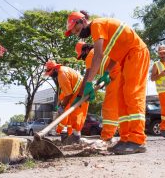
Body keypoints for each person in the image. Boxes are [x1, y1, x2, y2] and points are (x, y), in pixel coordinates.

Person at [65, 11, 150, 155]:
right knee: (122, 99)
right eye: (75, 33)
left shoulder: (97, 25)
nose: (78, 34)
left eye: (77, 30)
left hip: (136, 53)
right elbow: (115, 55)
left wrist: (89, 83)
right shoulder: (102, 33)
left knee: (132, 95)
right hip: (125, 58)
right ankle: (125, 138)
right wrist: (106, 72)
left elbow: (97, 56)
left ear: (83, 21)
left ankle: (137, 140)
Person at [74, 41, 120, 142]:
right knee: (122, 106)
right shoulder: (99, 52)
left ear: (86, 50)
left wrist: (79, 95)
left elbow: (87, 77)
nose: (83, 59)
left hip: (117, 74)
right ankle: (128, 135)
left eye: (82, 56)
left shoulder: (91, 54)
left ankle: (107, 137)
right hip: (118, 74)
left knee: (109, 106)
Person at [44, 60, 89, 144]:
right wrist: (61, 103)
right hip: (80, 92)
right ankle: (76, 136)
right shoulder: (64, 70)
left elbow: (68, 94)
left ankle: (76, 137)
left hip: (80, 93)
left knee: (77, 115)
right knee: (76, 115)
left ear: (55, 69)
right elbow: (66, 92)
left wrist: (62, 106)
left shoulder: (61, 75)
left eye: (50, 73)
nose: (50, 75)